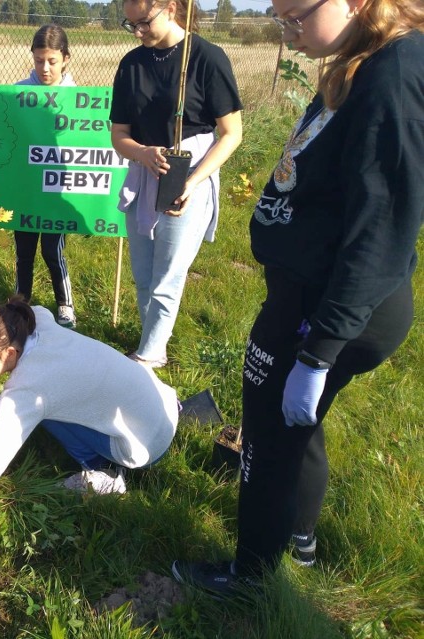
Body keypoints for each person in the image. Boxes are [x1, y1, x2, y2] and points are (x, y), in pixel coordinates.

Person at [171, 0, 424, 596]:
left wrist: (318, 351)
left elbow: (382, 226)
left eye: (296, 17)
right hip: (311, 294)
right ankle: (300, 539)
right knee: (297, 423)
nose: (288, 31)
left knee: (266, 433)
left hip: (324, 307)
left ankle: (251, 574)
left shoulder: (394, 73)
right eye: (280, 18)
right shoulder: (360, 59)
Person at [0, 298, 180, 557]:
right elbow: (28, 310)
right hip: (161, 406)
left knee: (47, 412)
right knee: (59, 403)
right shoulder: (38, 320)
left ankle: (105, 474)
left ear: (9, 352)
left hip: (145, 446)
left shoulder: (25, 392)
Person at [110, 0, 243, 368]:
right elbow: (118, 135)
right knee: (143, 274)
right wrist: (142, 153)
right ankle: (152, 341)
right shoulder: (131, 65)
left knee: (168, 274)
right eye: (130, 24)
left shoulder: (207, 58)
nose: (138, 32)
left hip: (188, 176)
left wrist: (194, 180)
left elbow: (231, 133)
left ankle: (148, 358)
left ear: (170, 8)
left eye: (143, 22)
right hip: (145, 173)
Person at [13, 24, 78, 329]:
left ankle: (65, 305)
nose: (45, 68)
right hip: (26, 190)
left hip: (57, 192)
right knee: (23, 251)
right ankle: (20, 303)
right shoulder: (19, 92)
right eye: (39, 60)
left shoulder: (78, 100)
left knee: (53, 250)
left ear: (66, 58)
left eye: (52, 61)